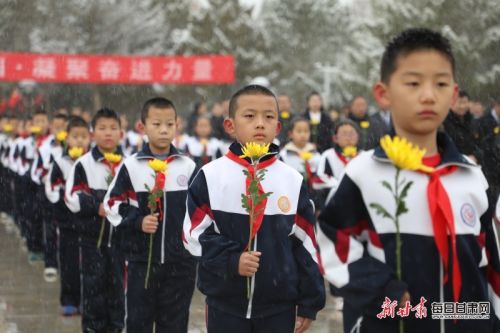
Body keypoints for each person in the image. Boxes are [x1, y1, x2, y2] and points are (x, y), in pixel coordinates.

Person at [317, 28, 500, 332]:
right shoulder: (364, 173)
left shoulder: (471, 177)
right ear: (384, 93)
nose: (428, 95)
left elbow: (491, 266)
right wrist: (383, 288)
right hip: (390, 321)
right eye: (413, 83)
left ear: (453, 94)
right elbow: (332, 243)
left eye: (440, 84)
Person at [183, 85, 325, 333]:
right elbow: (193, 233)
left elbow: (306, 244)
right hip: (225, 305)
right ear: (230, 126)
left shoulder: (292, 180)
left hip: (279, 308)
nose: (260, 124)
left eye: (269, 117)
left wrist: (309, 302)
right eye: (249, 116)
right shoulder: (210, 176)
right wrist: (231, 260)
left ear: (278, 127)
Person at [104, 97, 197, 333]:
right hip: (141, 262)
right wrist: (137, 221)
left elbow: (201, 210)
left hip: (180, 265)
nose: (164, 130)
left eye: (169, 124)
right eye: (156, 124)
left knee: (175, 323)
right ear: (142, 127)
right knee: (138, 321)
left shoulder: (188, 166)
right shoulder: (132, 166)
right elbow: (112, 204)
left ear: (178, 125)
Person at [65, 108, 125, 333]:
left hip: (120, 244)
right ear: (92, 133)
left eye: (113, 128)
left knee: (118, 292)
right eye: (102, 128)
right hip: (92, 242)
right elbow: (71, 197)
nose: (108, 133)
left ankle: (116, 328)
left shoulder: (127, 164)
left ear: (121, 132)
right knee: (93, 290)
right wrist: (96, 205)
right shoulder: (84, 164)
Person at [45, 116, 90, 316]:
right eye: (75, 136)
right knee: (69, 263)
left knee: (90, 265)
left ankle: (87, 301)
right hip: (67, 223)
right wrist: (64, 205)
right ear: (67, 138)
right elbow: (52, 189)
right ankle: (69, 300)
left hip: (89, 222)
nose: (79, 140)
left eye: (83, 136)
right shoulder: (61, 162)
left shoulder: (91, 162)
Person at [279, 116, 322, 208]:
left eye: (306, 131)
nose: (303, 135)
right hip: (291, 200)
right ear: (290, 134)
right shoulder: (284, 155)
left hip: (313, 200)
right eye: (299, 131)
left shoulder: (316, 155)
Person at [442, 89, 482, 162]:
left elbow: (481, 143)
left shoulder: (473, 120)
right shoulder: (444, 121)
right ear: (451, 103)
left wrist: (476, 156)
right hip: (451, 163)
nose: (462, 106)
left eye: (465, 102)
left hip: (472, 164)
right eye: (459, 102)